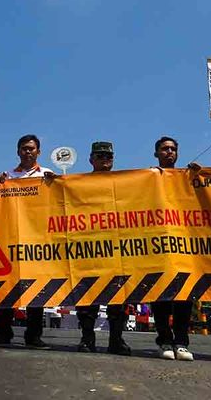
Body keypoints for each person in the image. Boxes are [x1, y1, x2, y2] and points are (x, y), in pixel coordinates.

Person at [0, 134, 55, 349]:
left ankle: (33, 335)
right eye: (24, 148)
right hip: (11, 237)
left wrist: (56, 184)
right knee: (5, 286)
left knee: (38, 288)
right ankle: (3, 332)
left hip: (38, 239)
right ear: (18, 151)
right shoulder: (8, 177)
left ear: (39, 152)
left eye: (32, 148)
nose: (28, 152)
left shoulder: (47, 175)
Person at [76, 141, 131, 356]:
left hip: (117, 247)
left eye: (108, 156)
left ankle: (116, 340)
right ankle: (87, 339)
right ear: (91, 159)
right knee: (88, 298)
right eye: (100, 156)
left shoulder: (123, 183)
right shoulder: (79, 184)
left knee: (118, 298)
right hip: (90, 246)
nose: (104, 159)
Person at [151, 136, 194, 361]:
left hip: (183, 246)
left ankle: (182, 342)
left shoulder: (185, 177)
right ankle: (164, 340)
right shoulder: (147, 178)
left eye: (173, 149)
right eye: (164, 149)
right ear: (156, 153)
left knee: (184, 296)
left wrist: (198, 175)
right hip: (156, 247)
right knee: (160, 297)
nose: (169, 152)